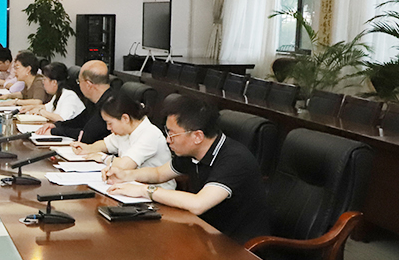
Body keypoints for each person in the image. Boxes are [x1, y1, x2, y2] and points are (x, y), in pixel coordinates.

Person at [103, 94, 270, 243]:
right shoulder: (192, 151)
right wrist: (125, 175)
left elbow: (198, 203)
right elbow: (159, 173)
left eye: (172, 134)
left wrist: (144, 190)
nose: (168, 140)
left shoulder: (235, 160)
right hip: (203, 231)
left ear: (197, 136)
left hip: (236, 246)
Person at [72, 92, 176, 190]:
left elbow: (125, 166)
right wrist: (88, 148)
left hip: (156, 191)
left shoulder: (150, 134)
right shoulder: (125, 131)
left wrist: (103, 157)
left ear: (125, 118)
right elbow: (105, 144)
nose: (108, 128)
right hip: (133, 186)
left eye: (110, 123)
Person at [37, 60, 115, 143]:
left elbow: (87, 135)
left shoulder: (110, 105)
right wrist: (56, 125)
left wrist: (54, 131)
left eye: (79, 82)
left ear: (88, 84)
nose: (79, 86)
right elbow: (79, 121)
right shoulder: (94, 101)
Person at [19, 62, 85, 122]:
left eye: (45, 79)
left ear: (54, 82)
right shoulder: (58, 94)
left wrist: (41, 111)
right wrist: (30, 107)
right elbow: (47, 107)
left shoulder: (69, 96)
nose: (43, 82)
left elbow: (62, 119)